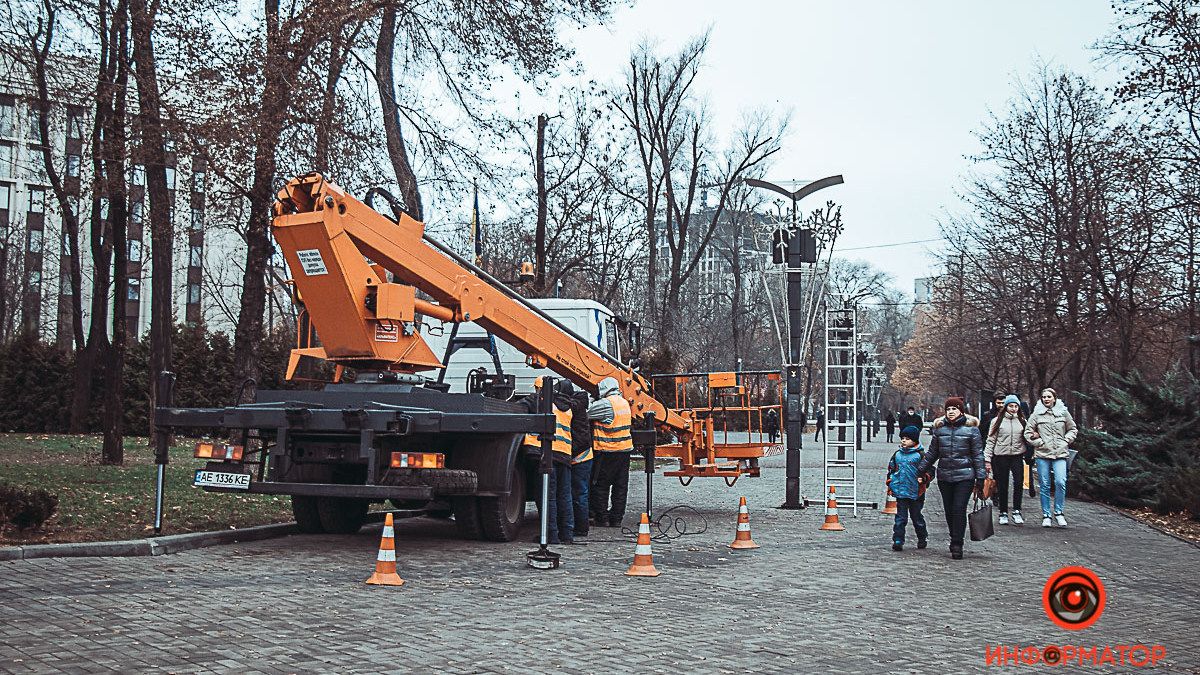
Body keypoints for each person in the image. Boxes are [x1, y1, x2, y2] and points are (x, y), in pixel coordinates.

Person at [916, 397, 986, 560]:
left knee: (958, 508)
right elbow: (932, 453)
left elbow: (977, 455)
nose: (951, 412)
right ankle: (953, 535)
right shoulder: (940, 430)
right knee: (948, 510)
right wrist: (920, 470)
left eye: (954, 409)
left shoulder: (972, 430)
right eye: (948, 409)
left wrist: (981, 476)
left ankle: (957, 543)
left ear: (961, 411)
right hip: (945, 476)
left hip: (965, 476)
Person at [519, 377, 576, 545]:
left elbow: (523, 405)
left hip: (547, 453)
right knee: (564, 496)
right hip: (565, 454)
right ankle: (567, 534)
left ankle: (551, 535)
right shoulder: (568, 408)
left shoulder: (544, 402)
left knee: (547, 496)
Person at [1024, 388, 1078, 528]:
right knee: (1045, 484)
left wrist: (1066, 440)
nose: (1046, 399)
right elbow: (1027, 432)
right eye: (1043, 397)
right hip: (1043, 454)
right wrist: (1039, 442)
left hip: (1060, 453)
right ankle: (1046, 514)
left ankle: (1059, 512)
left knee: (1060, 481)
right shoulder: (1036, 414)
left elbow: (1073, 429)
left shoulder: (1063, 412)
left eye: (1049, 396)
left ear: (1054, 398)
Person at [589, 377, 634, 528]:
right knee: (620, 486)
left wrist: (590, 398)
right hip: (624, 450)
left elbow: (587, 412)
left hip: (607, 451)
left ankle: (602, 518)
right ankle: (616, 518)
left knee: (600, 485)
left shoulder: (606, 404)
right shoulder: (624, 402)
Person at [984, 394, 1030, 525]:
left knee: (1018, 482)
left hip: (1017, 455)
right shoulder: (996, 421)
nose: (1014, 408)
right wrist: (987, 459)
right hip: (1001, 456)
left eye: (1016, 406)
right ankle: (1003, 512)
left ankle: (1017, 510)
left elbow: (1027, 438)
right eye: (1011, 406)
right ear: (1006, 407)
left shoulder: (1022, 421)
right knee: (1002, 484)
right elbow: (990, 441)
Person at [886, 425, 932, 551]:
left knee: (917, 517)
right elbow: (891, 469)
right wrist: (890, 482)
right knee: (900, 518)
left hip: (916, 491)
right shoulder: (897, 455)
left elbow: (930, 470)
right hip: (901, 491)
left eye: (907, 438)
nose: (903, 441)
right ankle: (898, 539)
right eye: (902, 438)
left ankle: (922, 537)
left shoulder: (920, 455)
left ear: (915, 440)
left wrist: (924, 479)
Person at [568, 383, 593, 543]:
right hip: (584, 456)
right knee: (580, 493)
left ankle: (581, 528)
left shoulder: (574, 411)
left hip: (579, 458)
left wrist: (568, 454)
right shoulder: (580, 408)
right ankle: (581, 527)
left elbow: (580, 439)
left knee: (579, 494)